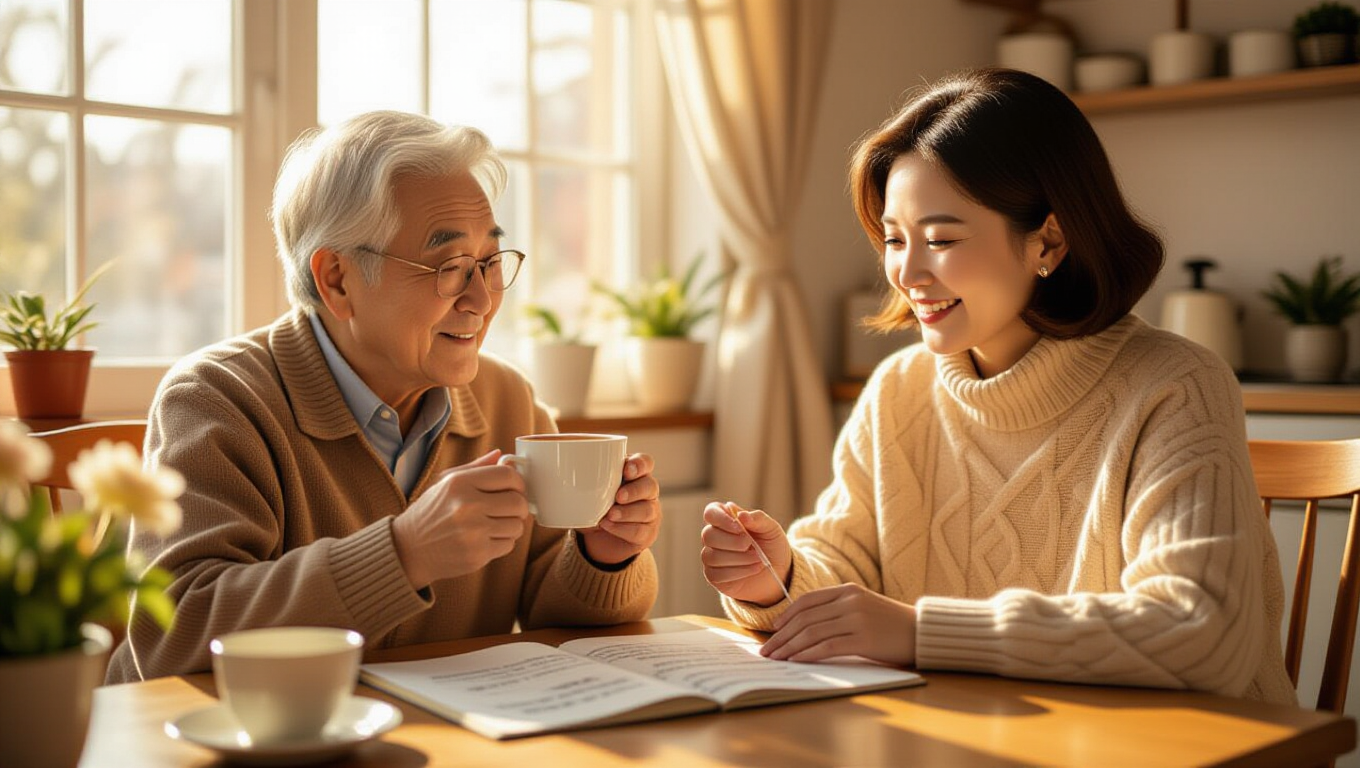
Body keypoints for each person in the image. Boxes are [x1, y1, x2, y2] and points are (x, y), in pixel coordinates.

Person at [699, 68, 1295, 704]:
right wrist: (777, 578)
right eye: (895, 240)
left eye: (941, 239)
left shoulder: (1175, 386)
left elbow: (1203, 635)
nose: (907, 272)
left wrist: (922, 632)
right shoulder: (899, 390)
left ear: (1050, 239)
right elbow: (847, 572)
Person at [107, 111, 660, 683]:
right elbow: (174, 635)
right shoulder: (217, 399)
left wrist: (603, 555)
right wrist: (404, 553)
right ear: (338, 280)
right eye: (449, 266)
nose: (482, 300)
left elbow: (554, 614)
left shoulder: (505, 399)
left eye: (490, 262)